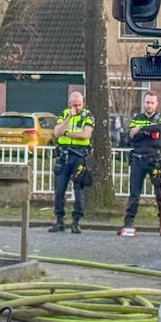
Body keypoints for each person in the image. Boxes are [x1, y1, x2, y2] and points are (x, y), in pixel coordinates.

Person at [120, 92, 161, 237]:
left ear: (156, 104)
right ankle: (128, 223)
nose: (149, 105)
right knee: (134, 193)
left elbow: (160, 129)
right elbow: (130, 137)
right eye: (147, 102)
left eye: (152, 103)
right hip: (138, 160)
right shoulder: (137, 119)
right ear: (144, 103)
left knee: (160, 194)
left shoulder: (160, 118)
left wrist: (141, 130)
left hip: (155, 160)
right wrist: (147, 133)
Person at [50, 91, 95, 234]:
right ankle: (59, 220)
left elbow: (85, 135)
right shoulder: (64, 114)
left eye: (79, 104)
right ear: (69, 104)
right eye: (74, 105)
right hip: (64, 156)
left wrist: (67, 133)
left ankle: (76, 222)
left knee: (79, 190)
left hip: (79, 156)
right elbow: (57, 132)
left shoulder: (87, 116)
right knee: (59, 190)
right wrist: (69, 117)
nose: (77, 107)